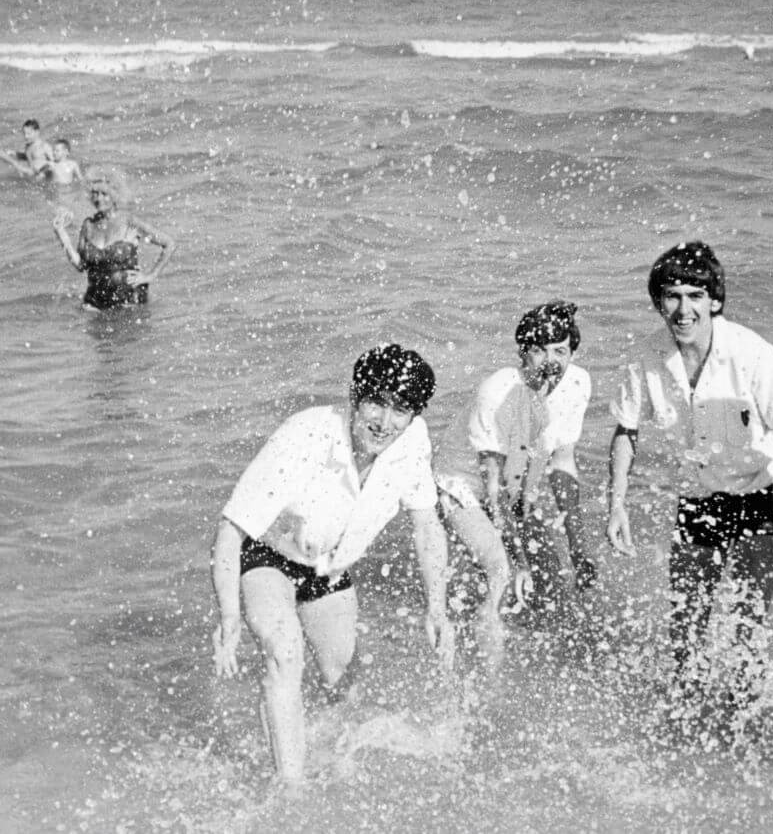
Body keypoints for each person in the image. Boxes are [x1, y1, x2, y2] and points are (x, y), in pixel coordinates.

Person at [211, 345, 456, 784]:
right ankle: (292, 790)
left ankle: (319, 757)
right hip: (269, 557)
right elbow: (231, 530)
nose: (384, 421)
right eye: (376, 403)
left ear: (415, 415)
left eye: (400, 409)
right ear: (354, 397)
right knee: (285, 653)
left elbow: (426, 526)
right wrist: (229, 616)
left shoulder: (413, 442)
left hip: (330, 569)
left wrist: (436, 608)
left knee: (341, 679)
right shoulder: (306, 434)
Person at [605, 242, 773, 715]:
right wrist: (617, 506)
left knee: (748, 625)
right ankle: (687, 718)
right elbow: (626, 431)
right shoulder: (645, 357)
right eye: (672, 296)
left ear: (715, 300)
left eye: (695, 295)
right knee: (686, 624)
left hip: (756, 492)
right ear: (658, 302)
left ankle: (745, 719)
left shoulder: (753, 353)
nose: (683, 309)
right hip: (698, 496)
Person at [435, 301, 596, 614]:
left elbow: (563, 464)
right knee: (503, 575)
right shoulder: (498, 392)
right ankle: (482, 656)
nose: (550, 362)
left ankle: (536, 654)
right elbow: (494, 491)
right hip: (462, 487)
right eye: (539, 350)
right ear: (522, 353)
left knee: (554, 588)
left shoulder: (578, 384)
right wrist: (520, 561)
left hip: (516, 490)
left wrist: (578, 548)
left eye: (560, 351)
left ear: (572, 354)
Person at [50, 166, 176, 310]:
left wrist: (150, 276)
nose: (98, 198)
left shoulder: (129, 222)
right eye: (95, 194)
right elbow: (81, 265)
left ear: (115, 195)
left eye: (104, 194)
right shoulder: (88, 225)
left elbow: (169, 244)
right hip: (95, 303)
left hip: (130, 302)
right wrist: (61, 233)